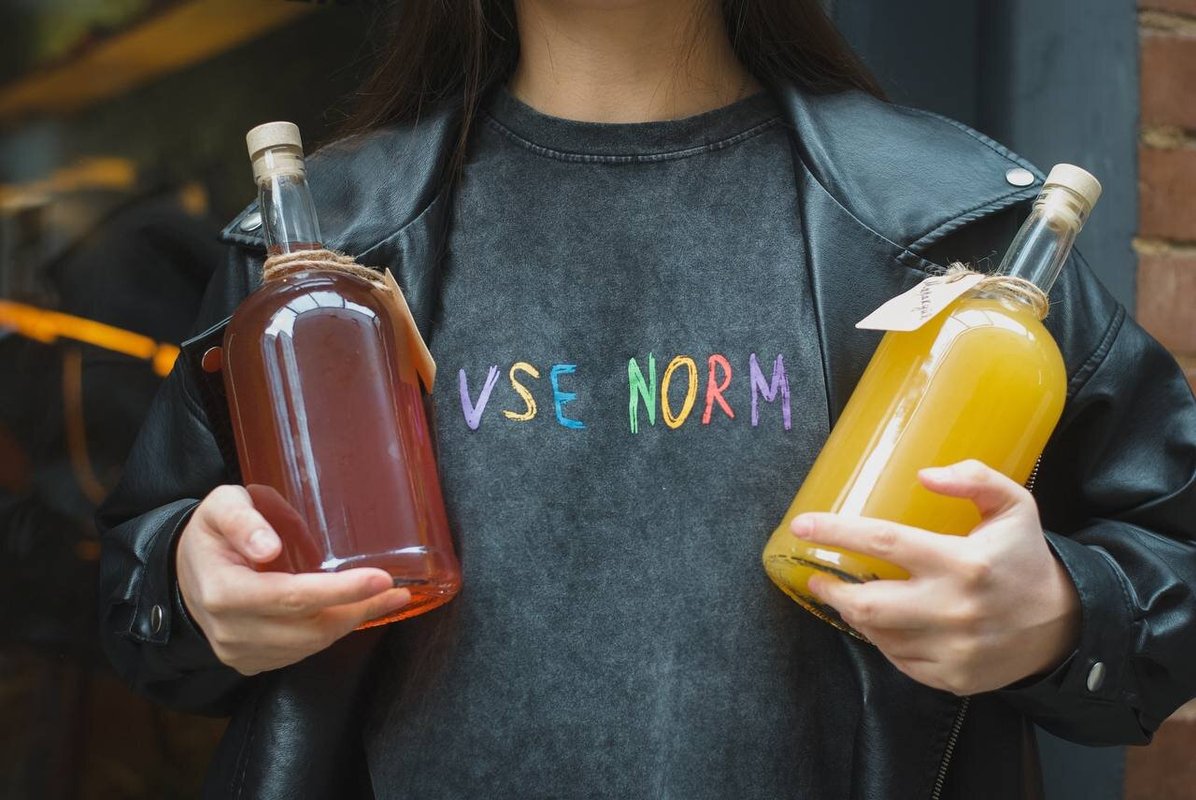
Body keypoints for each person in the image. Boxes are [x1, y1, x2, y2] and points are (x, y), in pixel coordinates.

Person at [97, 2, 1196, 798]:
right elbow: (139, 588)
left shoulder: (957, 230)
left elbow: (1173, 561)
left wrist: (1061, 613)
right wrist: (197, 589)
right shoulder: (319, 250)